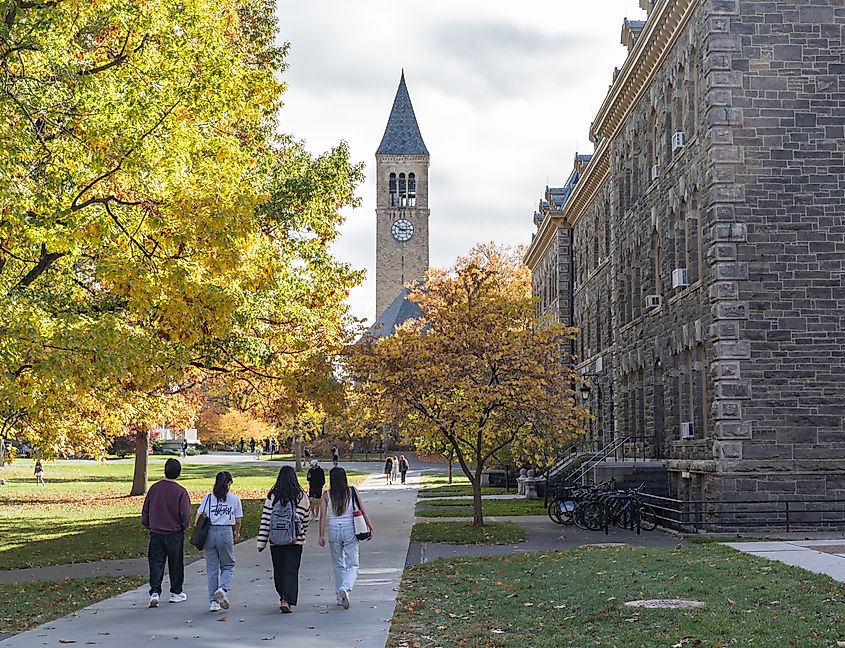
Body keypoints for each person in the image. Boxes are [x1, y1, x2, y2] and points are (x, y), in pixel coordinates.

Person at [256, 466, 311, 613]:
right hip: (294, 541)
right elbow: (305, 518)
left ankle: (282, 597)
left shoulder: (272, 496)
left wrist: (262, 541)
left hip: (276, 540)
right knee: (291, 570)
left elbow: (266, 519)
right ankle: (287, 599)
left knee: (279, 570)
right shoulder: (301, 496)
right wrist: (301, 534)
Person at [319, 467, 373, 609]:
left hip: (333, 529)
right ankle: (346, 587)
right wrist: (369, 526)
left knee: (338, 564)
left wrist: (321, 535)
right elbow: (362, 509)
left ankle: (339, 597)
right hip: (350, 529)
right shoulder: (352, 491)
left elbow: (322, 516)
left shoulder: (326, 495)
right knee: (353, 564)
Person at [141, 458, 191, 607]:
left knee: (156, 563)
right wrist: (183, 526)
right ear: (179, 473)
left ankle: (155, 592)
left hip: (156, 532)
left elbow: (146, 510)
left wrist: (148, 524)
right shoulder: (181, 491)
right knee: (176, 564)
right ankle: (176, 592)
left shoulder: (154, 489)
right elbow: (185, 514)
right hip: (174, 533)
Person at [197, 471, 242, 612]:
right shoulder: (234, 499)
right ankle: (223, 588)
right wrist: (237, 531)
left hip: (210, 532)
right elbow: (238, 520)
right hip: (225, 532)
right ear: (228, 483)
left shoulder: (209, 498)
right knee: (228, 565)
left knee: (211, 568)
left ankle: (213, 602)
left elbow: (198, 517)